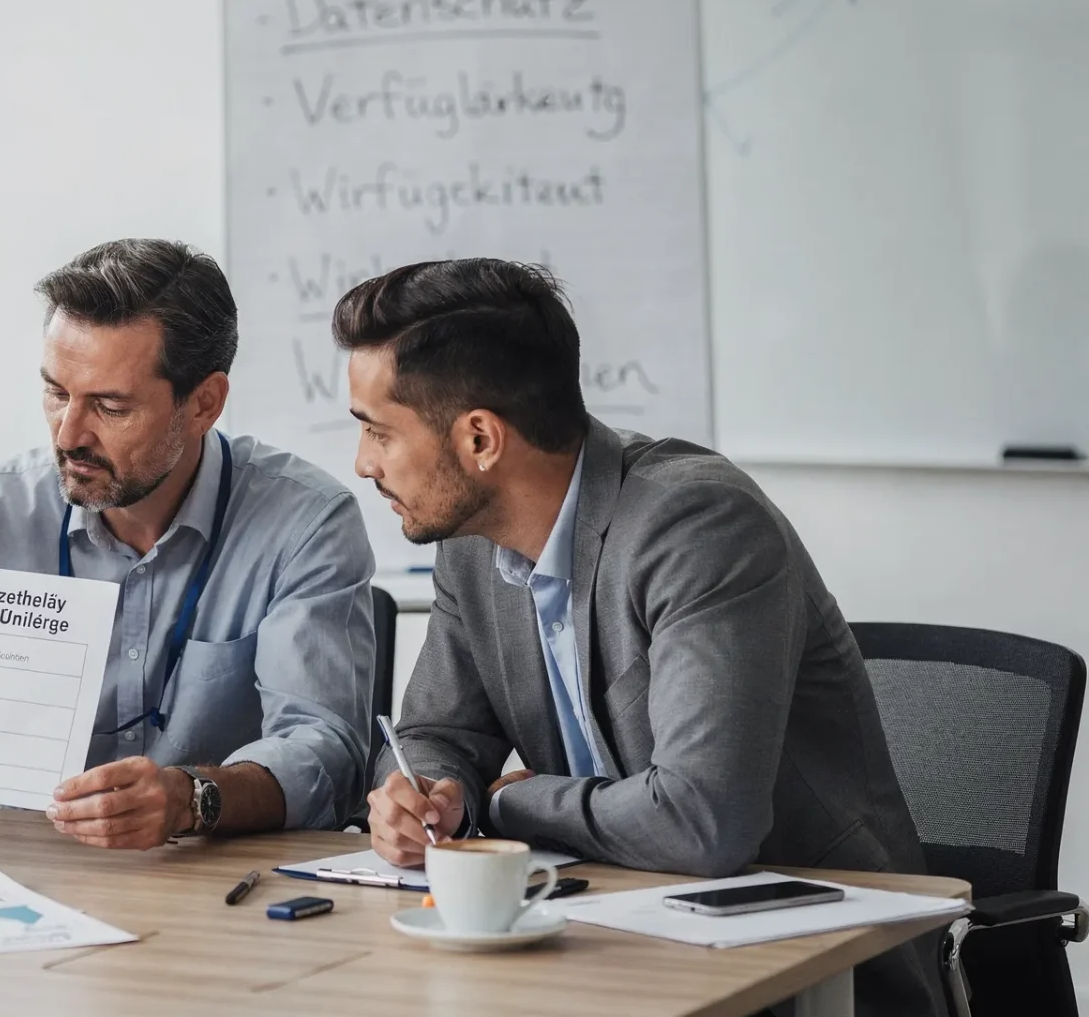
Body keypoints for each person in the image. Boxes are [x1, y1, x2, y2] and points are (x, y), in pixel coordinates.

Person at [340, 259, 940, 1016]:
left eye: (377, 432)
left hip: (806, 971)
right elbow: (436, 730)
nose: (363, 464)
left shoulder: (698, 528)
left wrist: (506, 807)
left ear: (481, 439)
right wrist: (428, 794)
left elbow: (703, 824)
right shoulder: (471, 545)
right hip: (606, 946)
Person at [0, 238, 376, 847]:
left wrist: (192, 798)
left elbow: (326, 754)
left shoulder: (306, 525)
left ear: (204, 403)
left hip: (213, 885)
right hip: (22, 883)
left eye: (111, 406)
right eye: (56, 392)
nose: (69, 434)